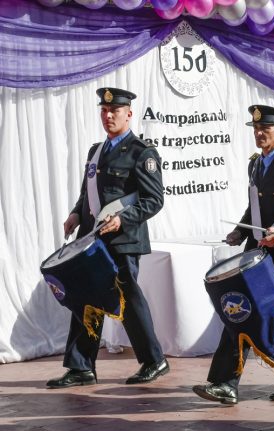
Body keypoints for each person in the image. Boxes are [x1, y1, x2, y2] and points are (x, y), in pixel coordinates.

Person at [193, 105, 274, 405]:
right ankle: (225, 384)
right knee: (239, 312)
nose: (259, 134)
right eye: (256, 129)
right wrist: (240, 230)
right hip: (256, 256)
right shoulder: (255, 164)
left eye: (266, 129)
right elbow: (254, 208)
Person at [47, 87, 168, 388]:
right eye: (104, 110)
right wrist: (76, 214)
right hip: (93, 242)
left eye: (114, 111)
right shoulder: (96, 151)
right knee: (85, 300)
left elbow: (153, 200)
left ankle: (154, 360)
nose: (108, 115)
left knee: (128, 301)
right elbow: (87, 193)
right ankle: (81, 367)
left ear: (129, 114)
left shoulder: (142, 152)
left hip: (123, 242)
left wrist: (122, 220)